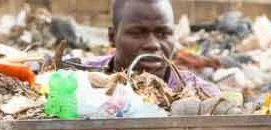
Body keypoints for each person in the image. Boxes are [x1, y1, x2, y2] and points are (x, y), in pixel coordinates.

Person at [80, 0, 216, 96]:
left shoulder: (200, 94)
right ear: (112, 37)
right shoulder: (78, 80)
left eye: (163, 33)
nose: (153, 44)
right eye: (137, 33)